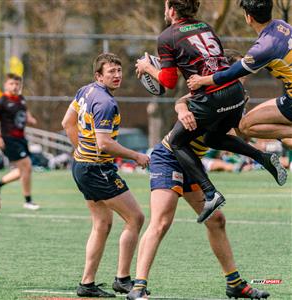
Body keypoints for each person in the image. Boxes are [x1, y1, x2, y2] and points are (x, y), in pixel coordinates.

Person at [135, 0, 286, 224]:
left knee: (177, 143)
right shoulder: (205, 26)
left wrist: (147, 68)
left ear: (172, 10)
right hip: (235, 92)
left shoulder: (168, 37)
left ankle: (210, 193)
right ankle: (263, 158)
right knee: (213, 138)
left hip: (211, 97)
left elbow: (167, 81)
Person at [126, 95, 270, 300]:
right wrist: (183, 112)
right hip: (168, 159)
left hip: (192, 163)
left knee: (217, 220)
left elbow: (238, 132)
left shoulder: (237, 94)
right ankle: (138, 289)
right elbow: (180, 101)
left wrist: (253, 124)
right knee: (161, 222)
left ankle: (234, 284)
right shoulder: (211, 85)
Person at [62, 53, 149, 297]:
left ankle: (86, 284)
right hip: (97, 169)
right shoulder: (105, 103)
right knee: (136, 218)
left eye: (119, 70)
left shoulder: (85, 91)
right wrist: (136, 156)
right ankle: (122, 279)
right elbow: (104, 144)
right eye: (111, 71)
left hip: (83, 167)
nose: (117, 75)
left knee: (102, 224)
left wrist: (79, 149)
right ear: (98, 75)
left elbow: (67, 121)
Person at [187, 0, 292, 146]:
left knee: (245, 126)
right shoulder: (282, 25)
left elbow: (229, 74)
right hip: (289, 97)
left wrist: (201, 80)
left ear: (248, 17)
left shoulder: (263, 48)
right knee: (266, 124)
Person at [0, 73, 40, 210]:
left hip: (21, 139)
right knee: (27, 166)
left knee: (23, 170)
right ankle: (28, 201)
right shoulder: (2, 101)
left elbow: (26, 114)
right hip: (8, 139)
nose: (15, 86)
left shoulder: (21, 99)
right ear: (5, 85)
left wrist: (31, 119)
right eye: (11, 84)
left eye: (17, 84)